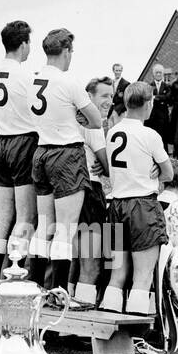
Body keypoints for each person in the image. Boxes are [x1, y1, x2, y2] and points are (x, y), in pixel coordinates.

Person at [28, 28, 103, 306]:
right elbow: (96, 121)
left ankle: (34, 290)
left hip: (41, 152)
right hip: (66, 153)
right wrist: (76, 119)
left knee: (44, 225)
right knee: (65, 228)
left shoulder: (34, 79)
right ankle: (59, 294)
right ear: (67, 51)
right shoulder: (68, 82)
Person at [101, 82, 173, 315]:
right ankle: (138, 335)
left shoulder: (112, 132)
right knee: (142, 277)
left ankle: (108, 332)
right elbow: (169, 173)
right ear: (148, 103)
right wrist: (156, 168)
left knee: (117, 274)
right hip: (142, 206)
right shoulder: (149, 134)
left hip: (116, 204)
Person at [0, 20, 40, 285]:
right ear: (23, 44)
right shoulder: (25, 75)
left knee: (3, 216)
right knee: (25, 217)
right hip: (23, 143)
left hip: (2, 143)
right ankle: (15, 280)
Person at [69, 77, 114, 307]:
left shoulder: (71, 119)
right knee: (91, 262)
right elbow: (108, 168)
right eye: (104, 95)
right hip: (90, 192)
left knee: (74, 260)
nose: (109, 100)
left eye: (111, 95)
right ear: (90, 97)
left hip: (70, 191)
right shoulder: (92, 122)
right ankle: (80, 325)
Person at [144, 62, 172, 149]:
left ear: (163, 74)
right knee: (152, 138)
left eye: (160, 72)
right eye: (157, 72)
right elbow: (147, 97)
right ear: (153, 74)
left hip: (163, 116)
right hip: (152, 117)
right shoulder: (148, 86)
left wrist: (155, 97)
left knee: (163, 139)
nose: (158, 74)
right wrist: (161, 97)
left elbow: (168, 98)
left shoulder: (167, 86)